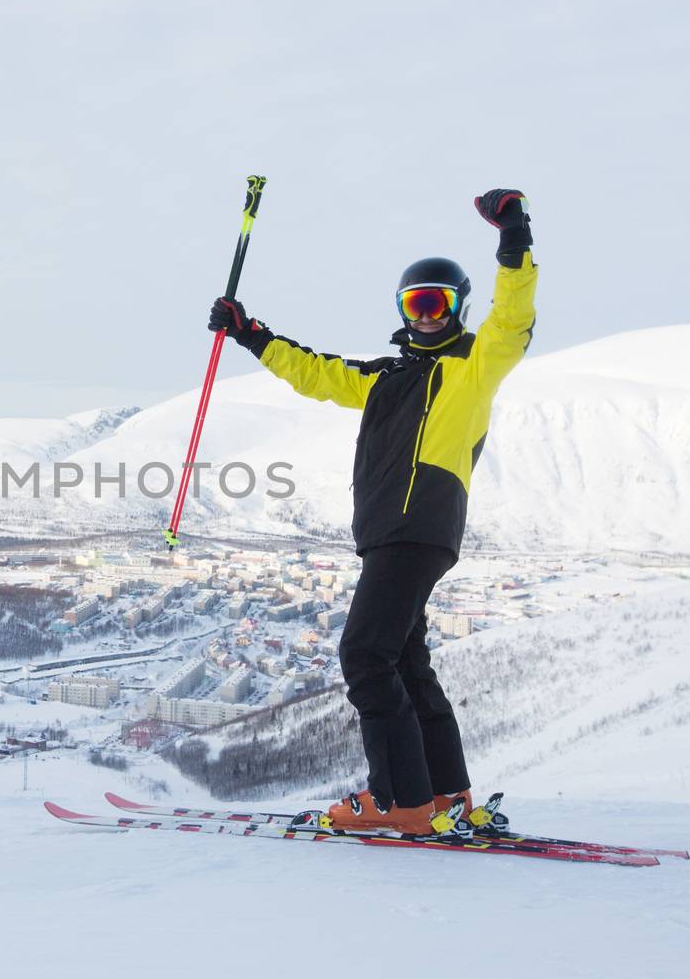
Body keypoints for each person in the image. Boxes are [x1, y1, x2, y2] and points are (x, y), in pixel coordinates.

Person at [206, 189, 538, 835]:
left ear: (458, 306)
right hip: (393, 531)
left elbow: (513, 315)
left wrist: (514, 232)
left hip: (419, 526)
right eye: (417, 303)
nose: (428, 314)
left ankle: (399, 802)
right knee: (406, 661)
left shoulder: (474, 364)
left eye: (439, 302)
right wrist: (251, 334)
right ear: (402, 310)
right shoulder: (385, 377)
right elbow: (317, 373)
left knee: (364, 654)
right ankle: (444, 797)